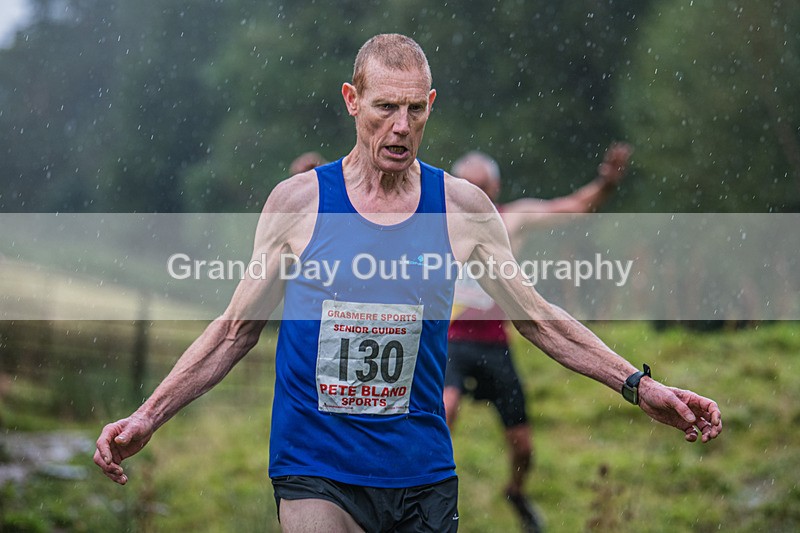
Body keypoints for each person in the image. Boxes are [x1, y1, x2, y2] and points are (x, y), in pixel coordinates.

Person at [94, 34, 722, 533]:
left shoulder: (461, 209)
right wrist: (148, 416)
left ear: (431, 106)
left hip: (419, 470)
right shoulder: (299, 205)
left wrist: (639, 386)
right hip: (317, 464)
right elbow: (236, 330)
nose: (400, 126)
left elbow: (536, 317)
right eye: (384, 107)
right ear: (351, 100)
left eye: (414, 109)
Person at [445, 144, 632, 532]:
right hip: (452, 343)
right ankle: (427, 494)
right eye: (467, 187)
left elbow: (574, 206)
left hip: (497, 345)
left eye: (481, 187)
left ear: (494, 188)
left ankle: (515, 490)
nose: (475, 195)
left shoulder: (511, 220)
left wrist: (606, 184)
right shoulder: (437, 223)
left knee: (524, 448)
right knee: (445, 410)